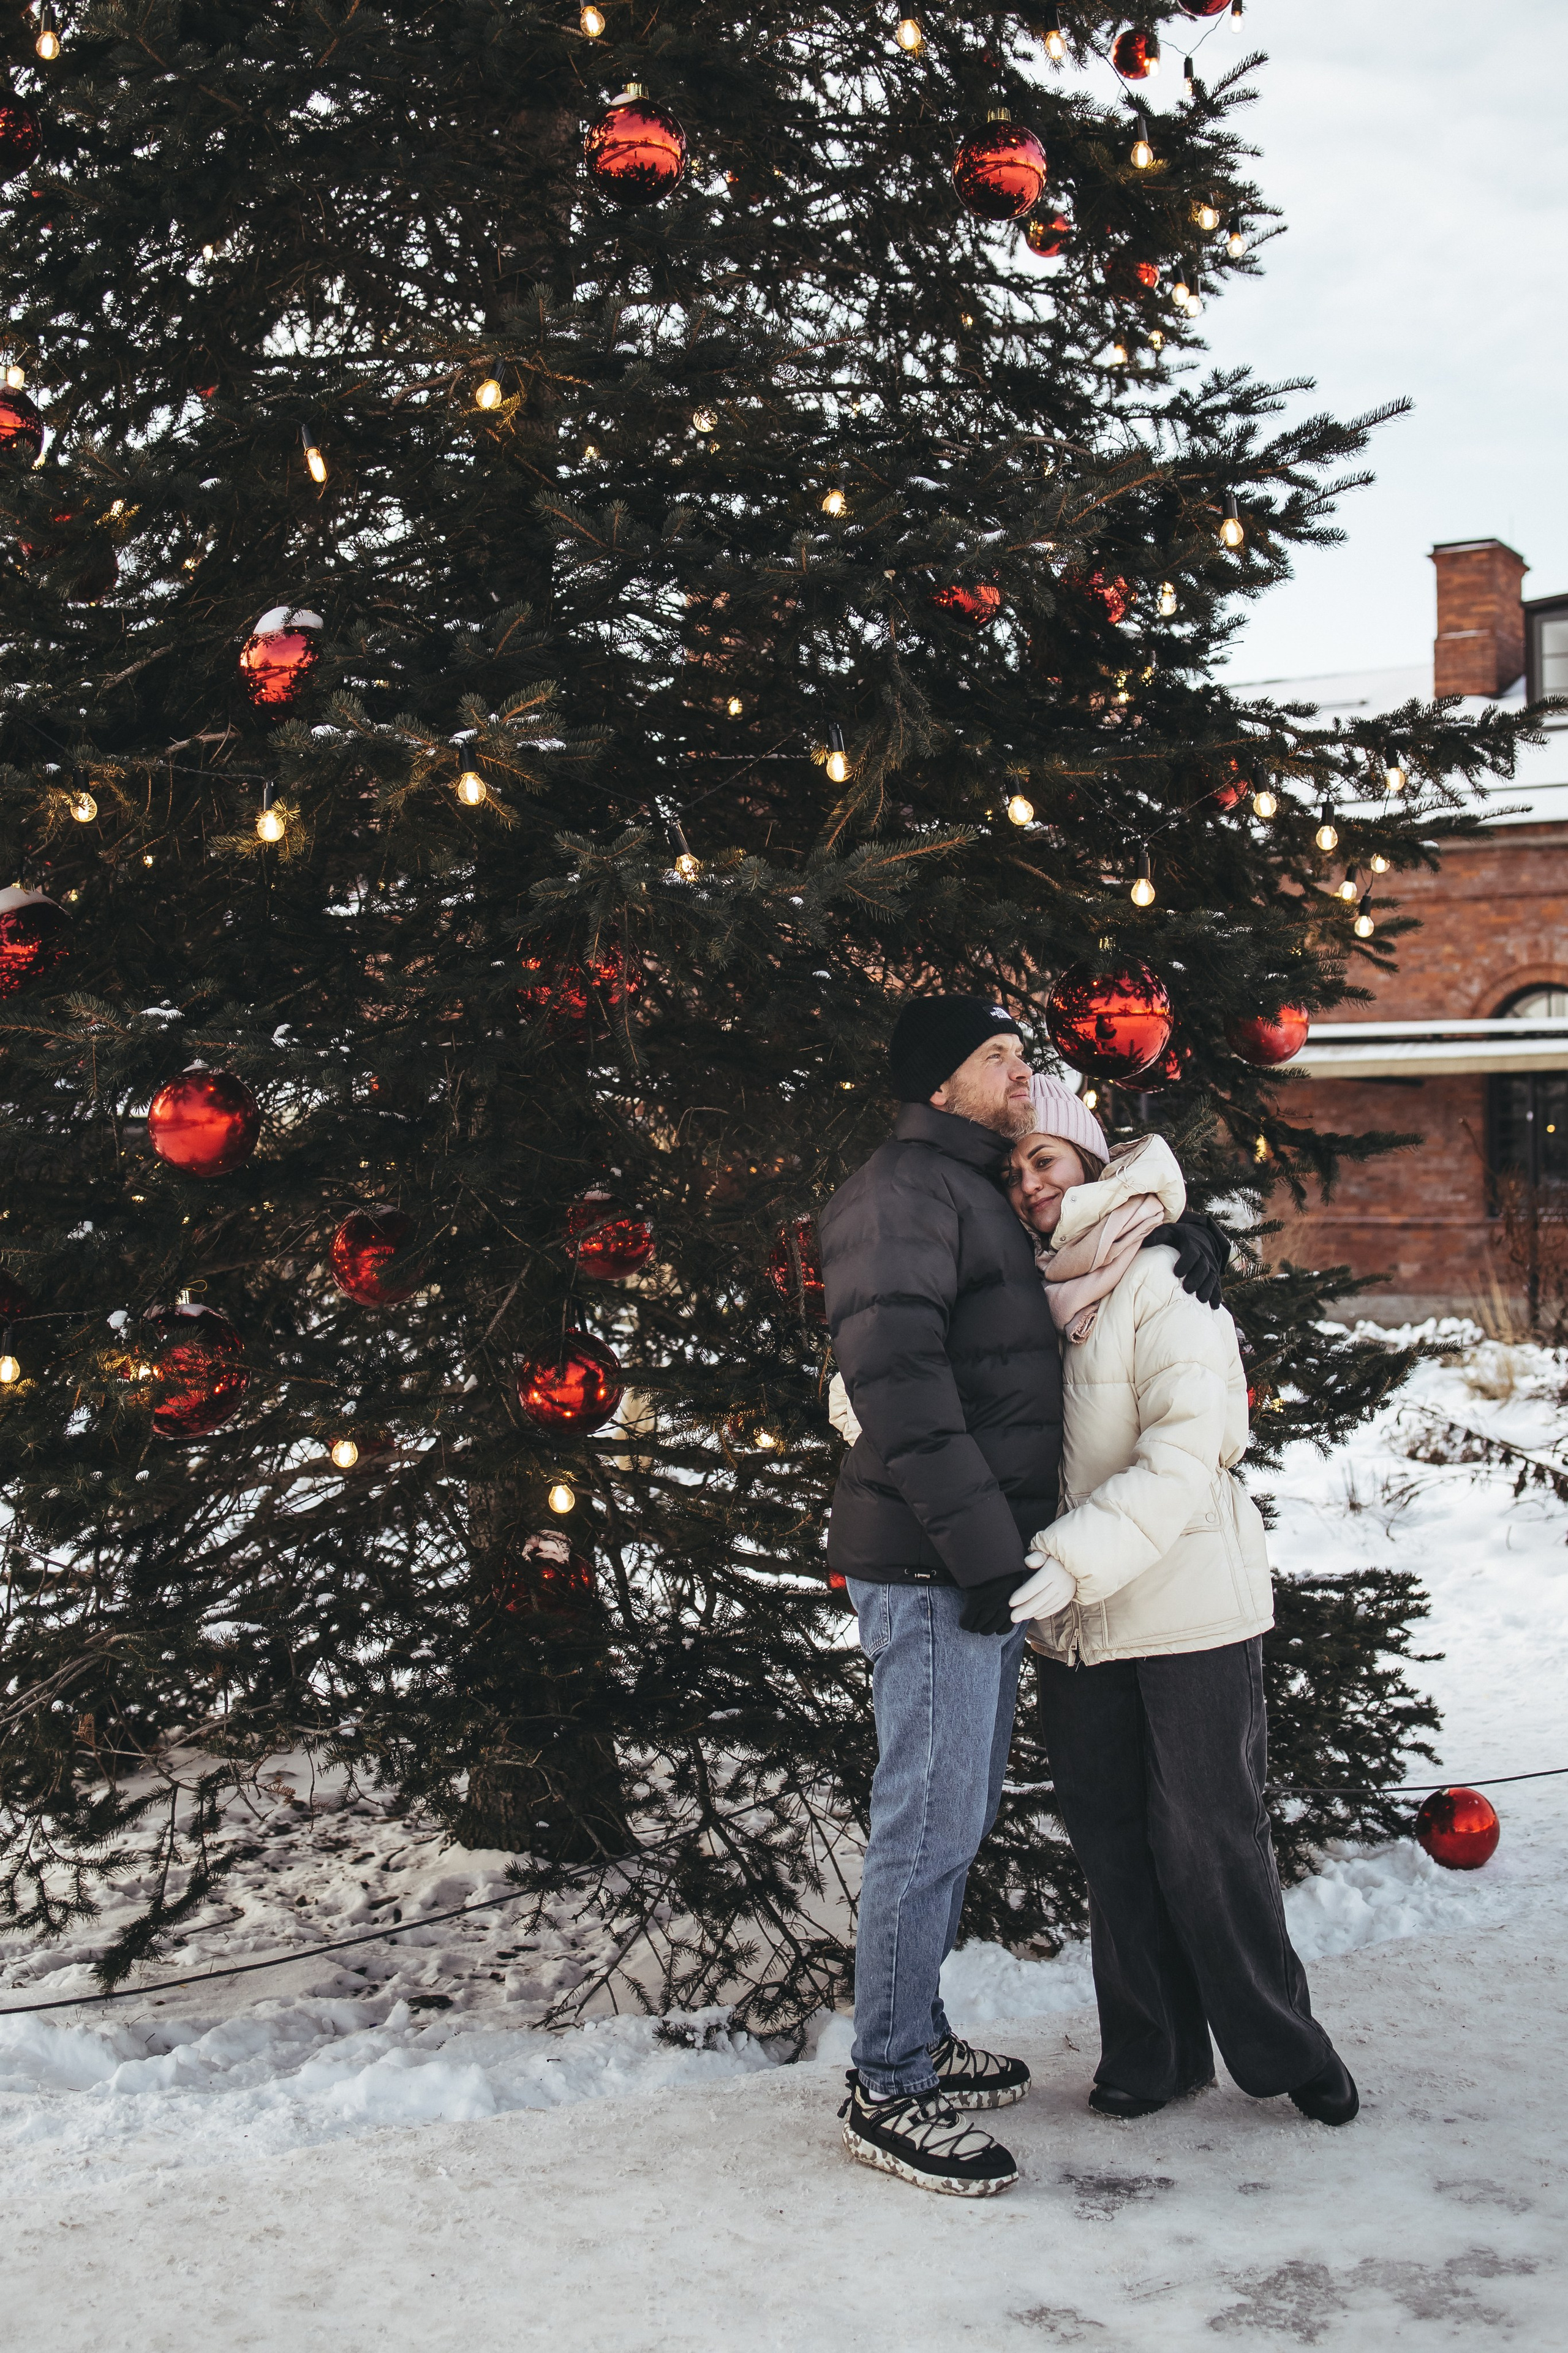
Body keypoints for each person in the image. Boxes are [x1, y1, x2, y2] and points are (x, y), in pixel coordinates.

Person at [818, 1000, 1228, 2197]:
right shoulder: (899, 1197)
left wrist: (1179, 1238)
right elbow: (899, 1391)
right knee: (925, 1825)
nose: (1019, 1073)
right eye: (997, 1056)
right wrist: (988, 1555)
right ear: (940, 1082)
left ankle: (916, 2033)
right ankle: (886, 2082)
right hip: (933, 1562)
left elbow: (1075, 1267)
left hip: (970, 1560)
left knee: (954, 1817)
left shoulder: (969, 1189)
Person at [1003, 1095, 1360, 2131]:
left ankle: (1286, 2044)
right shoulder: (1028, 1291)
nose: (1030, 1184)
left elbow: (1183, 1454)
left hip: (1187, 1605)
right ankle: (1151, 2051)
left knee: (1208, 1838)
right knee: (1110, 1838)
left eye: (1045, 1159)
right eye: (1013, 1172)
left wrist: (1069, 1561)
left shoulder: (1165, 1276)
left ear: (1087, 1153)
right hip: (1076, 1621)